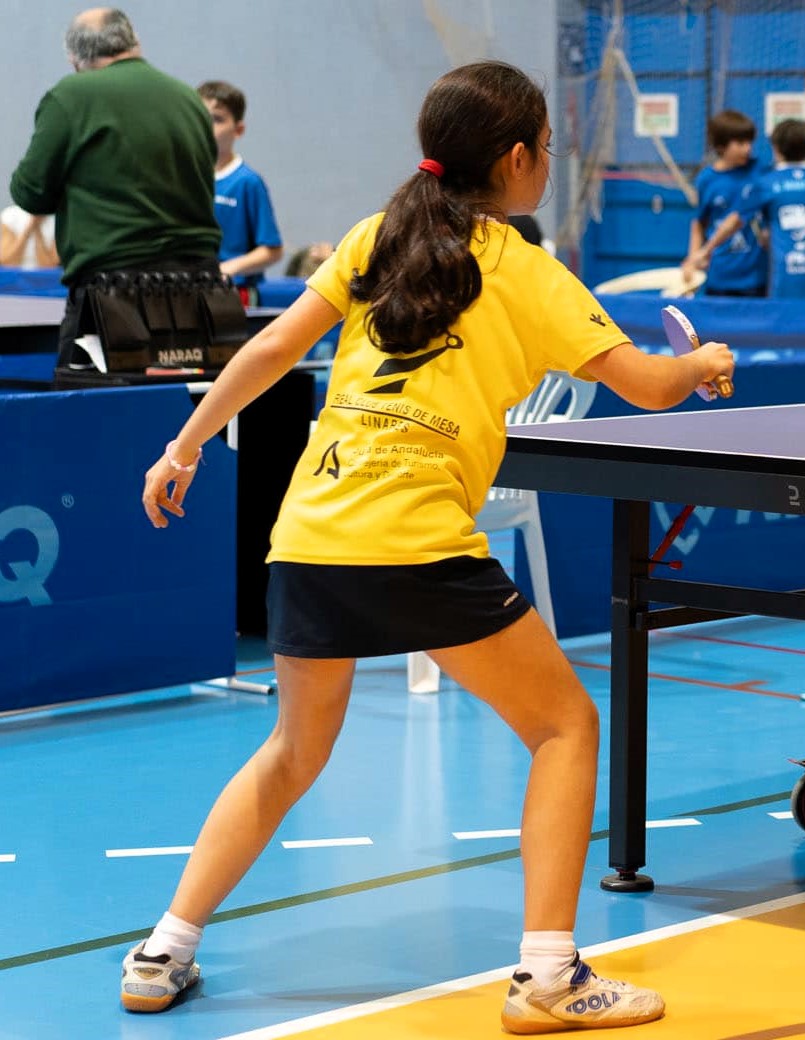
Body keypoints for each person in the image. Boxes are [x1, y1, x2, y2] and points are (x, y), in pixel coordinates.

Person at [126, 61, 732, 1032]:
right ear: (518, 158)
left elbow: (273, 348)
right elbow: (651, 388)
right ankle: (548, 976)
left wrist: (184, 444)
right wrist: (702, 361)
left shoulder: (377, 235)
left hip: (311, 531)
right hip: (417, 541)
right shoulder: (528, 270)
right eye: (545, 147)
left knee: (291, 750)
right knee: (566, 726)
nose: (548, 163)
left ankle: (163, 949)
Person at [8, 8, 220, 358]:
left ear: (75, 59)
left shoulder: (72, 94)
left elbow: (30, 193)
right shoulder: (188, 98)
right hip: (201, 287)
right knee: (185, 393)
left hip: (114, 291)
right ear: (134, 41)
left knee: (92, 393)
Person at [691, 120, 805, 298]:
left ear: (776, 149)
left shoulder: (768, 183)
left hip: (785, 274)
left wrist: (705, 250)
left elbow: (735, 220)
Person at [198, 80, 284, 302]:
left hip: (235, 294)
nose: (207, 126)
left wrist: (229, 268)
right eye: (201, 117)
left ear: (238, 130)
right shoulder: (186, 177)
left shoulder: (247, 182)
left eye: (217, 119)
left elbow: (272, 250)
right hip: (192, 290)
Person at [689, 109, 767, 297]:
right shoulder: (706, 179)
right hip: (720, 275)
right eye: (740, 143)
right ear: (721, 146)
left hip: (755, 277)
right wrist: (693, 259)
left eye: (750, 142)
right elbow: (699, 224)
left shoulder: (760, 171)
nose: (747, 149)